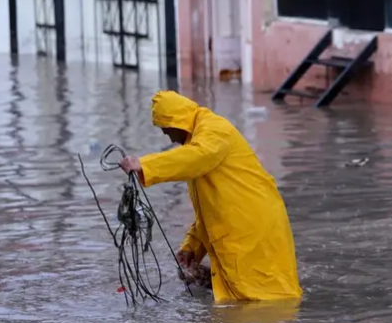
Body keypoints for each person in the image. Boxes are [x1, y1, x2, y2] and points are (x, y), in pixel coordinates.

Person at [119, 90, 302, 302]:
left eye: (164, 128)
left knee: (265, 298)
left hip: (253, 226)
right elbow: (210, 208)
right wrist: (191, 248)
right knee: (239, 297)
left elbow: (196, 157)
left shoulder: (213, 130)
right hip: (241, 225)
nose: (166, 136)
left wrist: (145, 165)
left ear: (176, 122)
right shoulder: (197, 141)